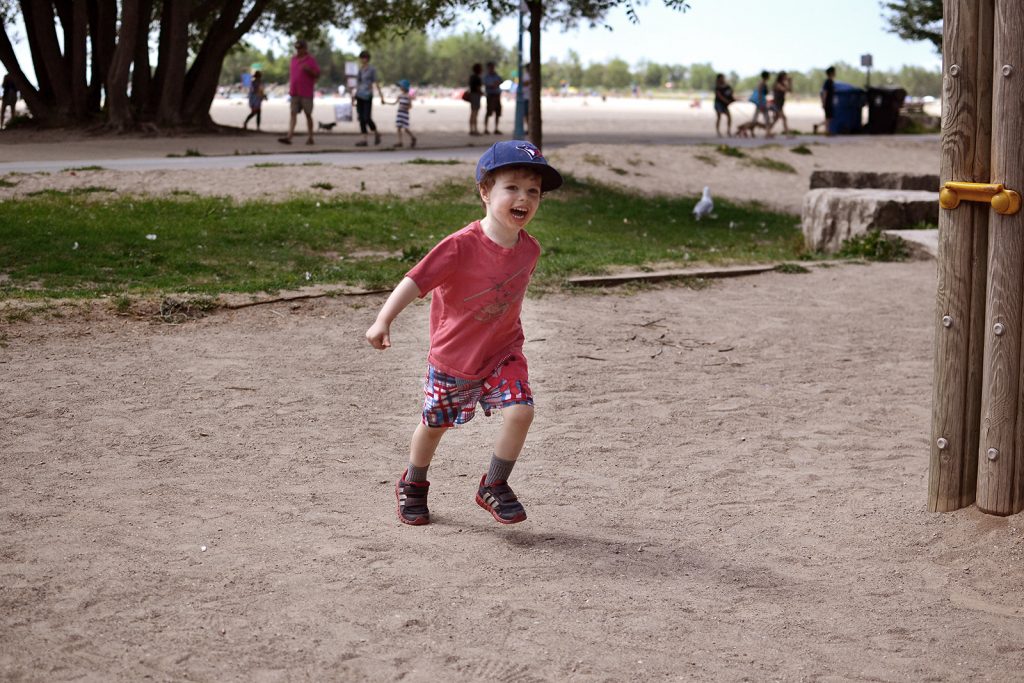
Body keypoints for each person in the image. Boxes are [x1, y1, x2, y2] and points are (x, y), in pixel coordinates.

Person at [365, 140, 564, 526]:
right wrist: (383, 319)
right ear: (485, 192)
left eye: (533, 191)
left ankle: (493, 484)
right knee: (434, 426)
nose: (524, 198)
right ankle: (414, 482)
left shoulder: (530, 250)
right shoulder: (459, 247)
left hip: (503, 353)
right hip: (453, 359)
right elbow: (415, 280)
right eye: (512, 187)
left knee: (521, 410)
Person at [278, 40, 320, 145]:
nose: (298, 51)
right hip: (294, 92)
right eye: (297, 48)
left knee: (308, 114)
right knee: (293, 113)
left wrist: (309, 70)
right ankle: (289, 136)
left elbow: (317, 74)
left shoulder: (311, 60)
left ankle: (310, 137)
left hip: (306, 92)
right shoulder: (293, 59)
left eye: (300, 48)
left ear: (305, 48)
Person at [354, 50, 385, 147]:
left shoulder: (372, 69)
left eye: (364, 58)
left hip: (367, 95)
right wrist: (353, 96)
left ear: (367, 59)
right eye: (362, 58)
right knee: (361, 118)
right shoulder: (360, 70)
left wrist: (381, 96)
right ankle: (364, 139)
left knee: (367, 117)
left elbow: (376, 82)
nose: (363, 60)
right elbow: (358, 84)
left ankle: (376, 133)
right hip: (359, 95)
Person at [386, 79, 417, 148]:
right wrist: (386, 102)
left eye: (401, 86)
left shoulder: (408, 96)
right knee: (398, 127)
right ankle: (400, 142)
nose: (400, 88)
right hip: (399, 113)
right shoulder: (400, 96)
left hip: (405, 113)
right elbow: (394, 103)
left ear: (404, 87)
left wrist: (406, 108)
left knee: (406, 128)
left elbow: (410, 106)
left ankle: (413, 137)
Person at [766, 71, 791, 136]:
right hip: (777, 104)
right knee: (784, 118)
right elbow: (785, 90)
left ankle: (768, 132)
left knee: (776, 119)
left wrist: (790, 82)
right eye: (785, 76)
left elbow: (790, 90)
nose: (786, 77)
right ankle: (787, 134)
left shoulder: (783, 84)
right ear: (782, 77)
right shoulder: (778, 84)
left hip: (780, 104)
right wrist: (788, 82)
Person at [749, 70, 772, 137]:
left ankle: (767, 132)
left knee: (756, 118)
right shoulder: (762, 83)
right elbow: (759, 93)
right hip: (761, 102)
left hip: (761, 102)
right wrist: (761, 103)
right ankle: (767, 133)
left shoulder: (763, 83)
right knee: (765, 118)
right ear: (767, 76)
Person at [483, 62, 503, 135]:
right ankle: (485, 128)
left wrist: (495, 84)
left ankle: (496, 128)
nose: (492, 69)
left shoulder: (497, 75)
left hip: (497, 95)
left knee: (498, 112)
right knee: (488, 111)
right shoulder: (486, 76)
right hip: (490, 95)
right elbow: (487, 84)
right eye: (490, 67)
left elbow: (500, 81)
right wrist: (493, 84)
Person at [817, 66, 836, 136]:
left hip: (829, 102)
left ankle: (821, 128)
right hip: (827, 102)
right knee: (828, 117)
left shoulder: (830, 81)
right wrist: (823, 102)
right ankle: (826, 131)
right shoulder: (828, 81)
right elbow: (825, 92)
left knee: (829, 117)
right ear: (831, 73)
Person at [468, 63, 483, 135]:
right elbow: (478, 88)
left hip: (472, 95)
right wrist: (481, 93)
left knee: (472, 113)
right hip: (476, 96)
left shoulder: (471, 77)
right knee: (475, 113)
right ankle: (475, 129)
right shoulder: (477, 78)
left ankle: (471, 129)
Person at [519, 63, 531, 135]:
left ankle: (529, 128)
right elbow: (523, 83)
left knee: (529, 114)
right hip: (525, 97)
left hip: (529, 97)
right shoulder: (525, 75)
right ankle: (527, 128)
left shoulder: (530, 75)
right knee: (526, 114)